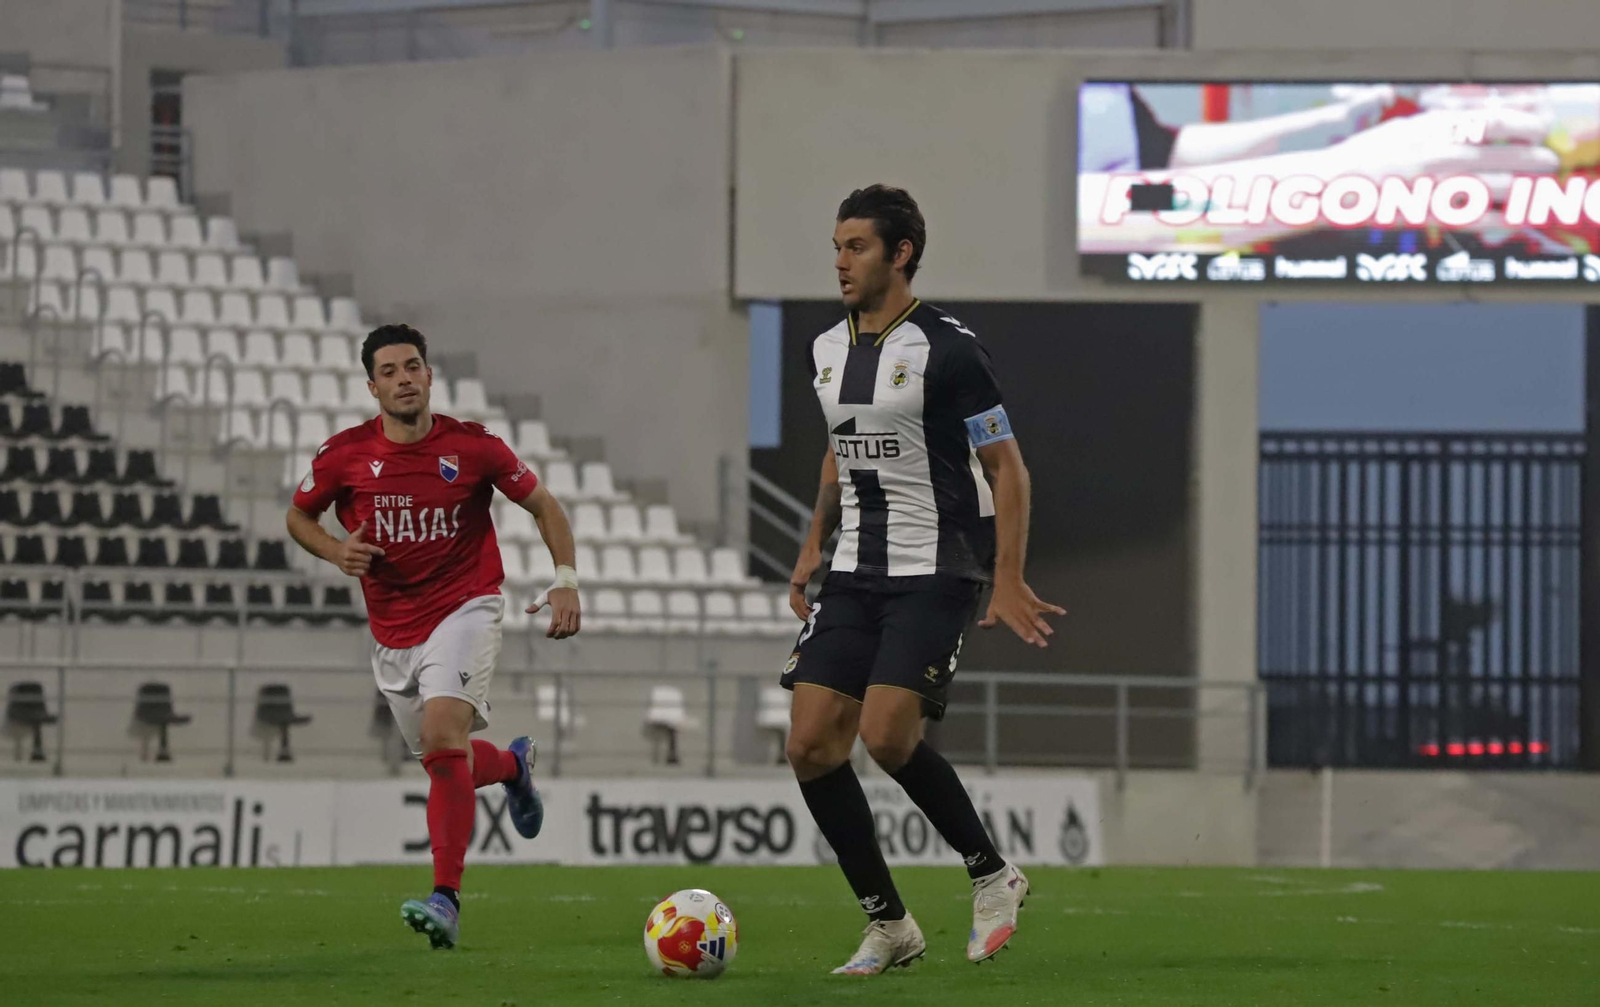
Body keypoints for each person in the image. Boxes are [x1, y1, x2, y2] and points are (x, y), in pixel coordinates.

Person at [782, 185, 1065, 975]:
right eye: (836, 246)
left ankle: (990, 873)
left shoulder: (950, 350)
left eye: (857, 247)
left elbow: (1007, 467)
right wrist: (812, 543)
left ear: (901, 253)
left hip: (937, 566)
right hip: (854, 566)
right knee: (809, 744)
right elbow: (840, 444)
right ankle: (889, 923)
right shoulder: (825, 349)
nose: (840, 262)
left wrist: (1006, 576)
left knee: (885, 735)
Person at [285, 323, 581, 949]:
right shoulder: (344, 455)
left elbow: (545, 507)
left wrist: (565, 581)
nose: (403, 379)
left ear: (428, 375)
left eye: (412, 366)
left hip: (466, 605)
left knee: (444, 738)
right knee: (446, 761)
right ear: (372, 386)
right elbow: (297, 515)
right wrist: (337, 551)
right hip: (394, 630)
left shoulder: (473, 447)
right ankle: (512, 767)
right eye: (389, 371)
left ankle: (445, 898)